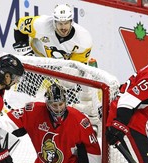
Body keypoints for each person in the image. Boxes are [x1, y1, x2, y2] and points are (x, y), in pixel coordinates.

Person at [12, 3, 101, 133]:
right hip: (39, 61)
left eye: (66, 23)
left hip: (62, 67)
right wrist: (23, 48)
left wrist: (63, 76)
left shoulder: (83, 39)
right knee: (22, 96)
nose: (63, 27)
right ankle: (20, 124)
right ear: (54, 22)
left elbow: (77, 66)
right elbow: (18, 26)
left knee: (69, 87)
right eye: (59, 23)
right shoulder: (41, 24)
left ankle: (87, 118)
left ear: (71, 21)